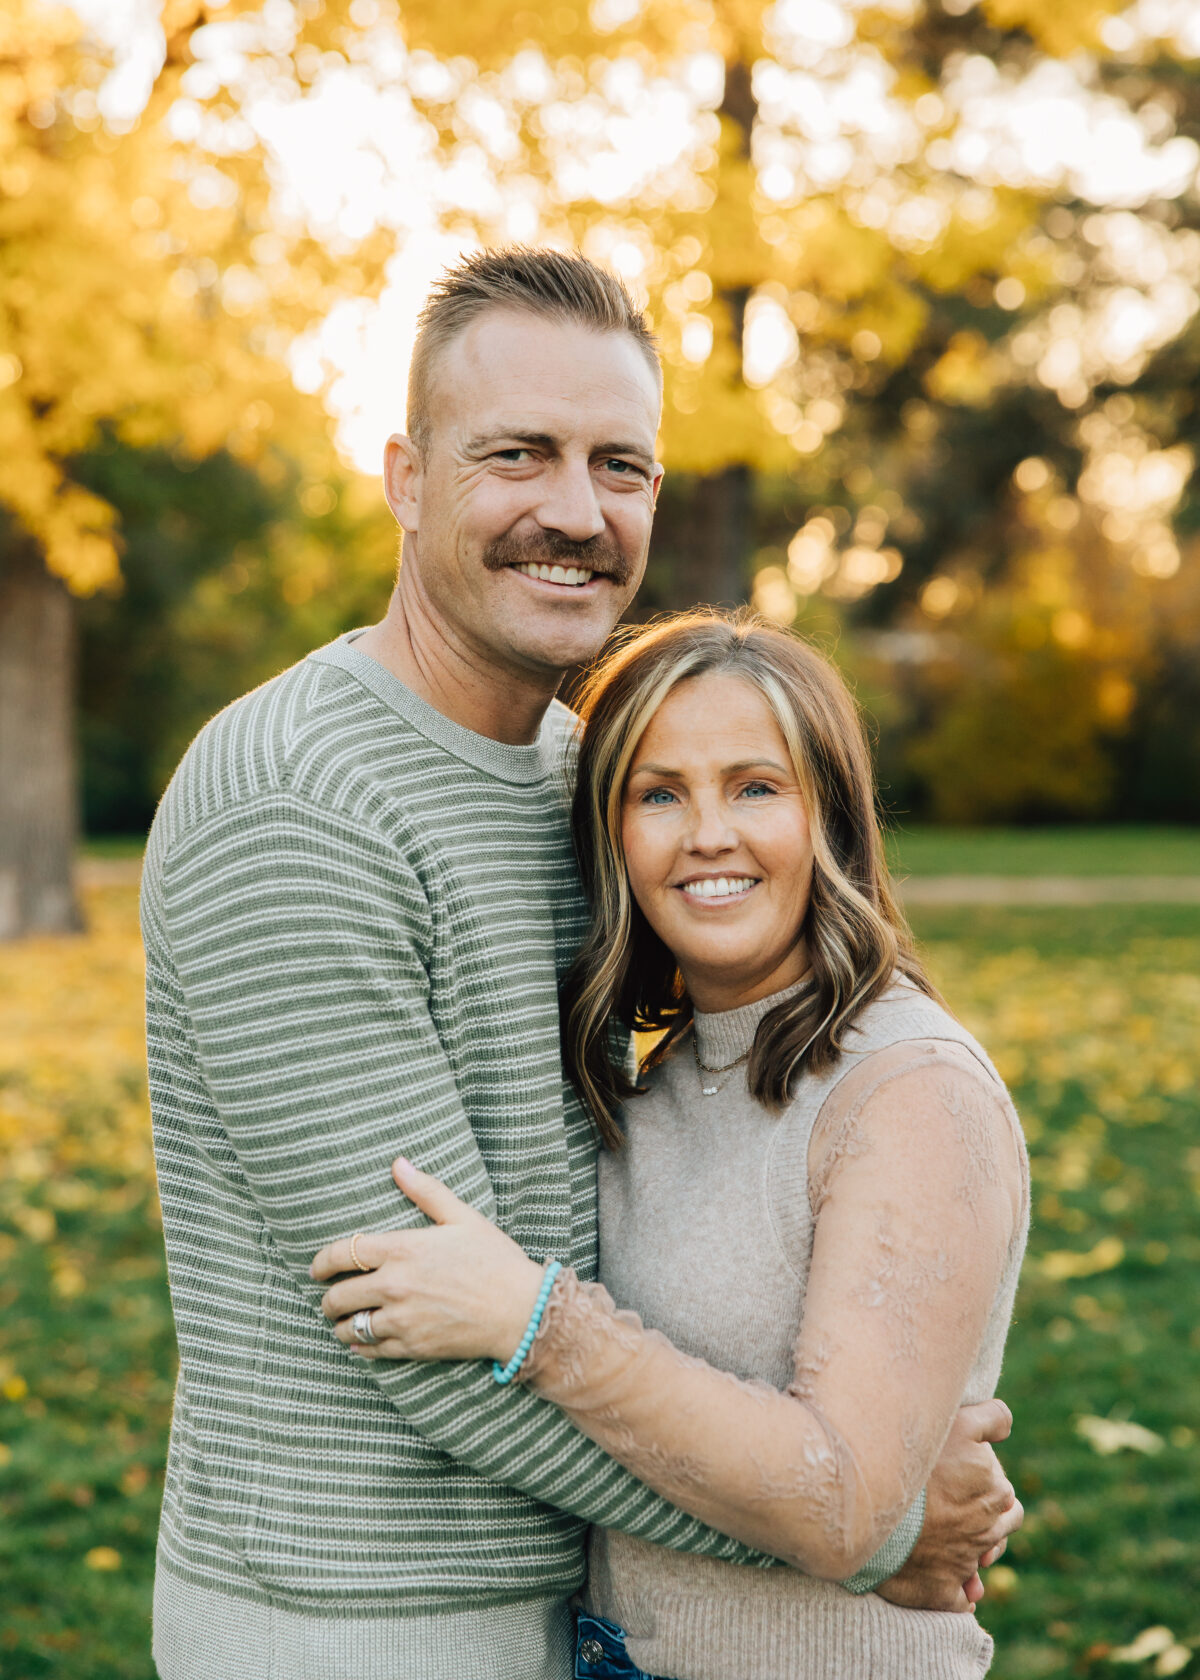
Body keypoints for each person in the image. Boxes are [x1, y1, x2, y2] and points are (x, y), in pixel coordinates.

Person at [142, 248, 1020, 1680]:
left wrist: (877, 1431)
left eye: (621, 464)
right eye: (517, 455)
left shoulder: (588, 781)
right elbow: (427, 1329)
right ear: (407, 478)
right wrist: (856, 1516)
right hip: (359, 1617)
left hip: (570, 1606)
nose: (574, 511)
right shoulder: (293, 800)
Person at [311, 610, 1030, 1680]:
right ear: (612, 837)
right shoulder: (653, 1064)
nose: (707, 835)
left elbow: (840, 1507)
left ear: (827, 816)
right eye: (659, 793)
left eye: (755, 786)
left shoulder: (909, 1091)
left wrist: (535, 1321)